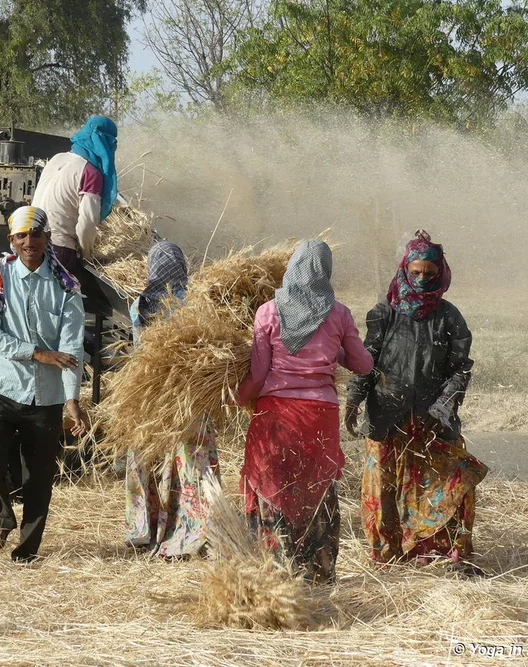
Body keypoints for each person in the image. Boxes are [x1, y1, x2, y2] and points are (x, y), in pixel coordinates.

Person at [345, 230, 488, 575]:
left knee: (452, 480)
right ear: (405, 270)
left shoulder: (450, 317)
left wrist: (445, 403)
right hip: (387, 415)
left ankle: (442, 552)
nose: (423, 280)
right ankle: (389, 553)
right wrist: (354, 399)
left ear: (440, 274)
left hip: (432, 418)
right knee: (386, 486)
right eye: (417, 273)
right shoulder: (383, 314)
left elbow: (460, 368)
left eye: (430, 274)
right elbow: (368, 360)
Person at [235, 240, 373, 583]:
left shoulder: (268, 311)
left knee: (273, 488)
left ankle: (276, 572)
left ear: (291, 268)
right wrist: (335, 351)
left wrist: (238, 399)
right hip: (320, 416)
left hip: (276, 415)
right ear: (325, 272)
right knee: (317, 489)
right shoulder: (339, 313)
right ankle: (318, 571)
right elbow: (363, 364)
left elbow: (258, 373)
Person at [0, 205, 90, 561]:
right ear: (12, 240)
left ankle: (26, 554)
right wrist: (36, 353)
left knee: (39, 481)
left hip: (47, 397)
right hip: (3, 387)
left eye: (36, 234)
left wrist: (72, 399)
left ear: (47, 238)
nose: (30, 242)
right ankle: (3, 514)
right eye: (22, 236)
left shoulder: (66, 285)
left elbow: (72, 347)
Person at [124, 241, 220, 557]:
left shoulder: (139, 304)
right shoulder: (195, 304)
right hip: (187, 396)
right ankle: (192, 530)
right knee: (191, 463)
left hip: (148, 395)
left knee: (147, 461)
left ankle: (145, 530)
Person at [31, 115, 118, 274]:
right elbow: (87, 224)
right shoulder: (90, 172)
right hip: (57, 249)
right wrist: (87, 256)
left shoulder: (57, 158)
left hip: (27, 243)